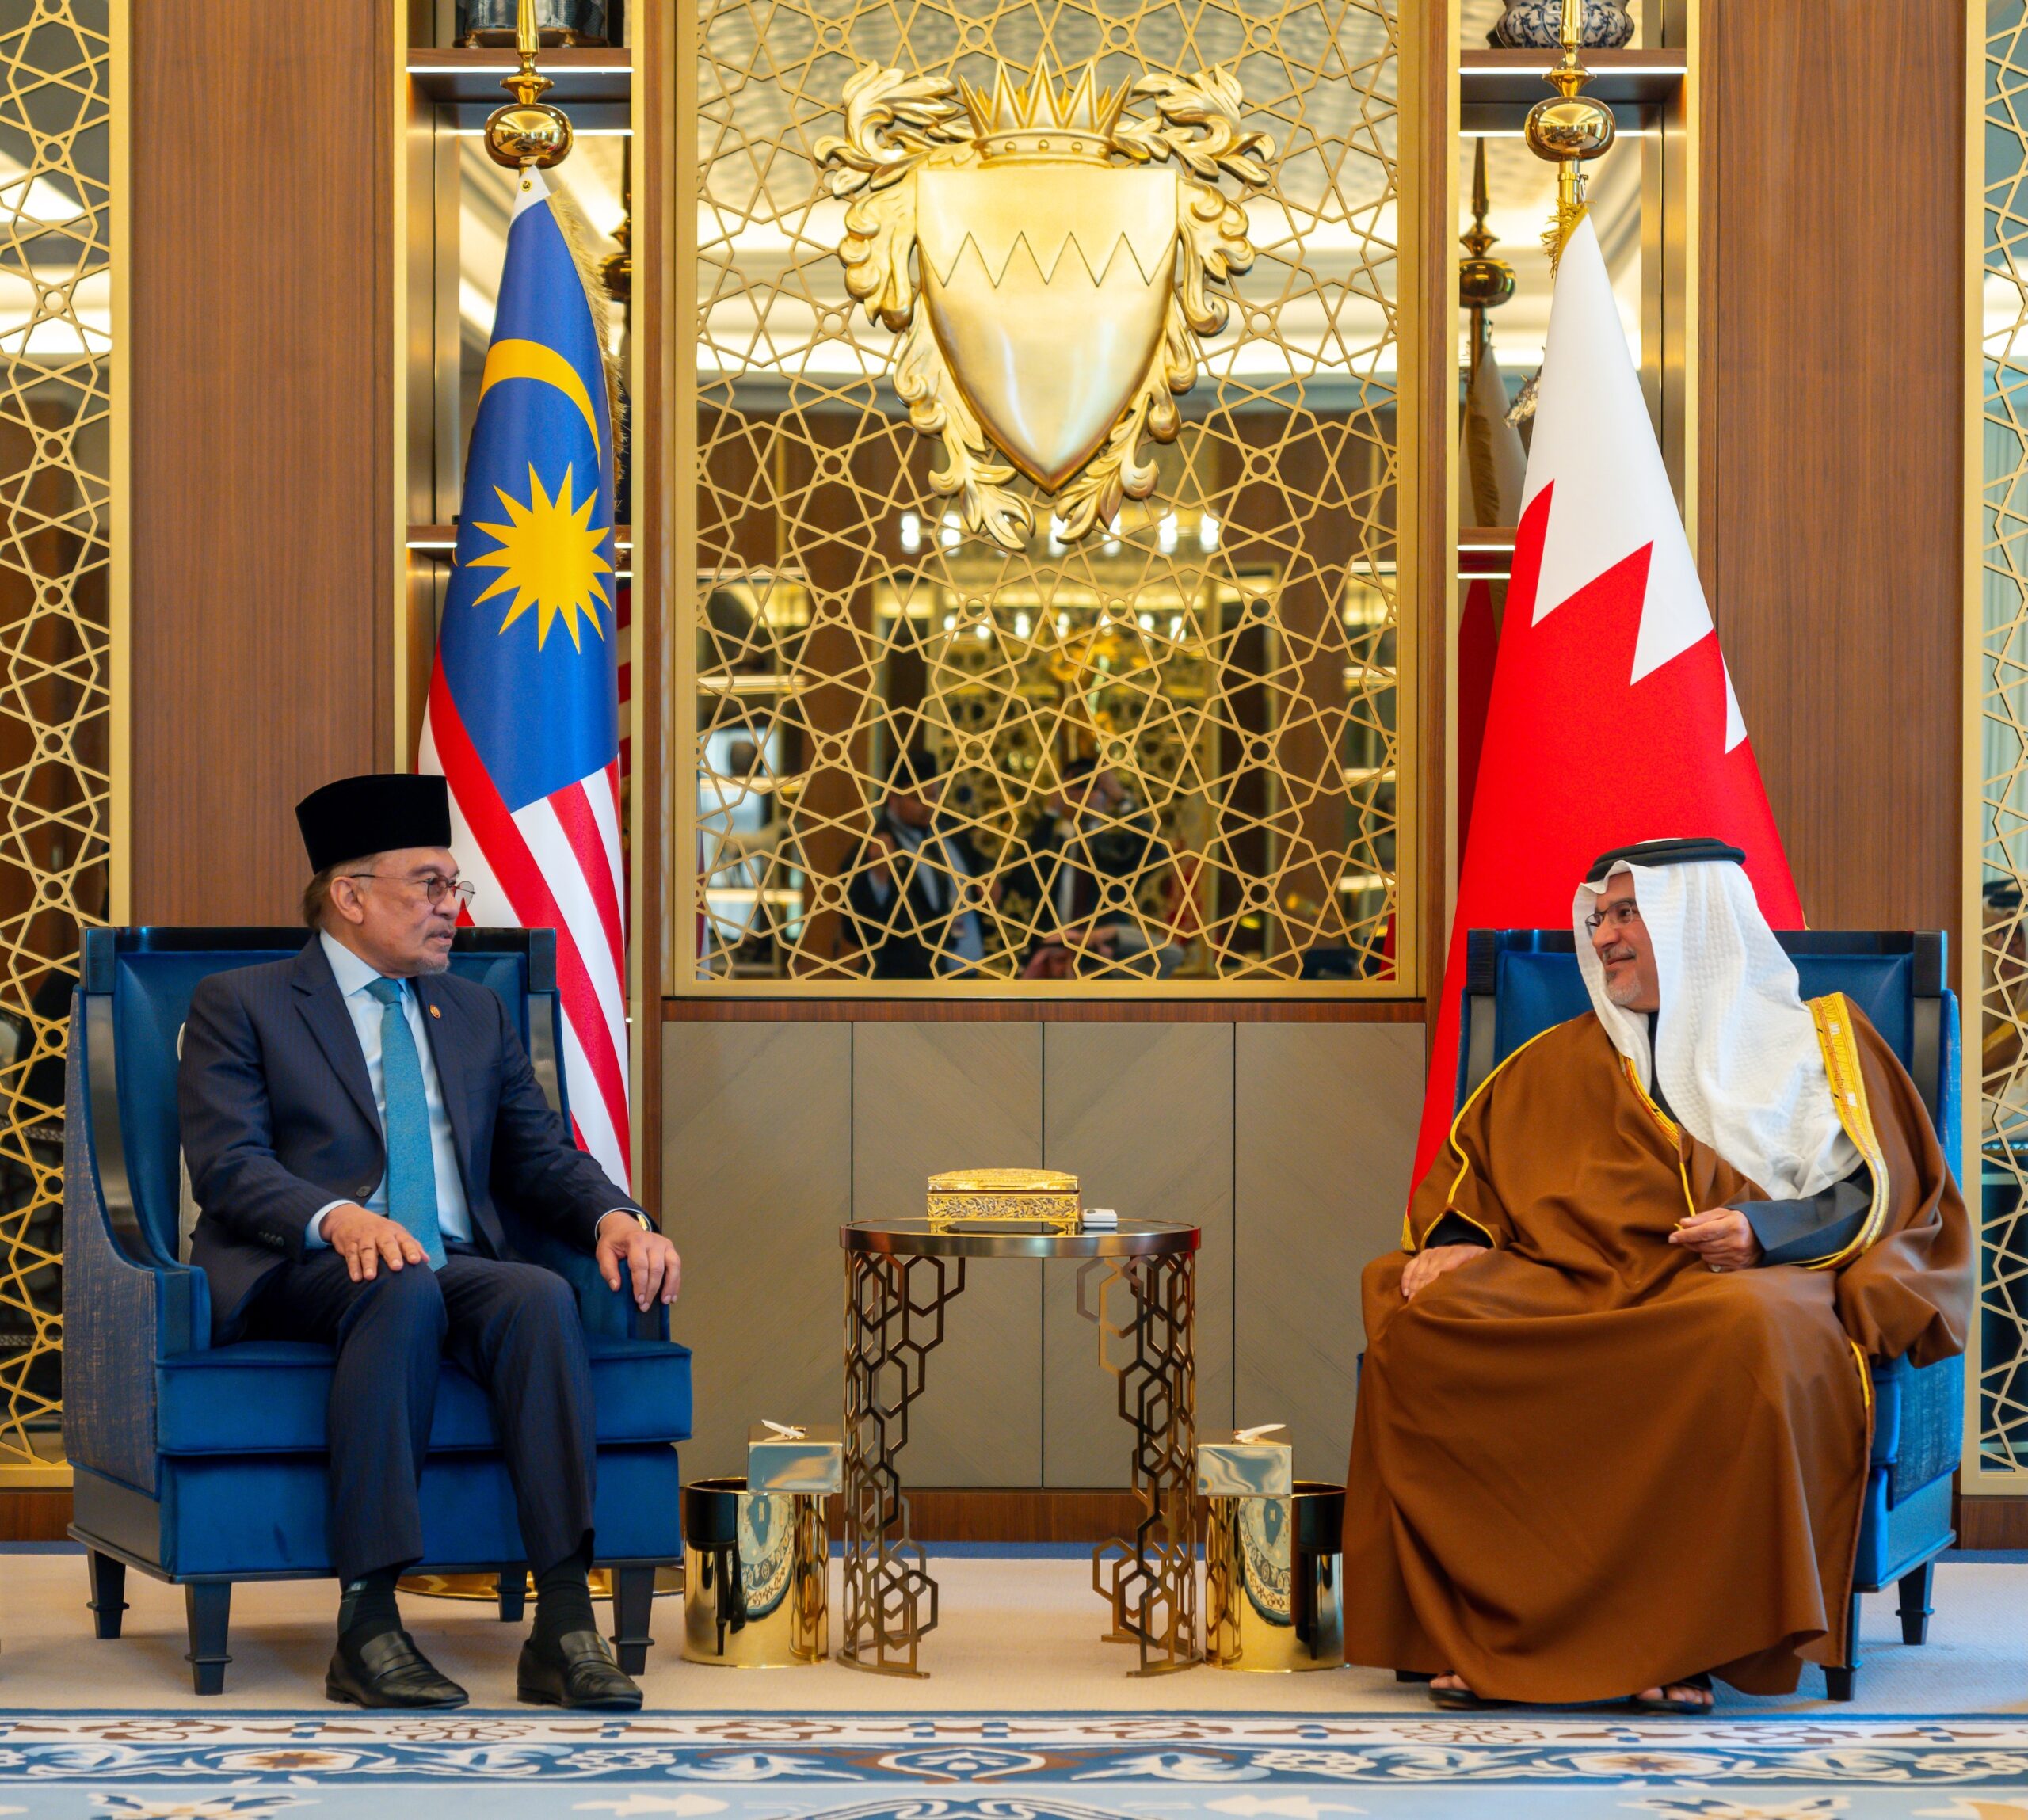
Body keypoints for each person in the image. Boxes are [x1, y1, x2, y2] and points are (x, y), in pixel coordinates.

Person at [1342, 836, 1971, 1711]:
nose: (1602, 936)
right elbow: (1475, 1172)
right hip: (1581, 1272)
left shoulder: (1819, 1044)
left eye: (1626, 914)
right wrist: (1458, 1237)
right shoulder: (1556, 1058)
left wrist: (1761, 1229)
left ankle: (1685, 1643)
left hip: (1744, 1279)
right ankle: (1481, 1631)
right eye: (1597, 918)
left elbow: (1885, 1187)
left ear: (1694, 921)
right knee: (1418, 1307)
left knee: (1743, 1331)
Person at [177, 774, 682, 1714]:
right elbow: (230, 1165)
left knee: (538, 1293)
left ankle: (563, 1623)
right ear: (350, 894)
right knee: (397, 1284)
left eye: (457, 887)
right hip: (306, 1264)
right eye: (431, 886)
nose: (453, 907)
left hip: (449, 1258)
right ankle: (368, 1625)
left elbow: (539, 1156)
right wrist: (339, 1217)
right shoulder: (241, 1002)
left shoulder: (473, 1010)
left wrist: (619, 1217)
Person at [1004, 758, 1182, 978]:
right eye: (1077, 786)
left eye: (1092, 787)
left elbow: (1155, 852)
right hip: (1052, 964)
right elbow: (1020, 876)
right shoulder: (1049, 849)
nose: (1084, 794)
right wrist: (1050, 814)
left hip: (1107, 963)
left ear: (1106, 798)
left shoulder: (1117, 850)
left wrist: (1122, 800)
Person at [843, 747, 992, 979]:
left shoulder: (951, 831)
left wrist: (989, 881)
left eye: (933, 796)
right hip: (908, 981)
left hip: (964, 970)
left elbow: (980, 865)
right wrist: (879, 880)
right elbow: (856, 930)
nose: (928, 806)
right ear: (893, 798)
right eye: (917, 799)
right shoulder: (873, 848)